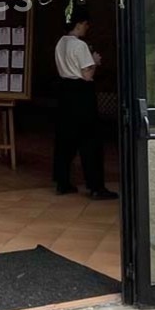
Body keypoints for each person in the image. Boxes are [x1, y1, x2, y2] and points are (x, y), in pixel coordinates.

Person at [53, 14, 116, 199]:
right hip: (81, 92)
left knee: (66, 139)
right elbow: (87, 74)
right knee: (90, 139)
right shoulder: (80, 45)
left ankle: (62, 182)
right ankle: (96, 186)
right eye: (86, 24)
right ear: (79, 24)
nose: (87, 28)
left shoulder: (60, 43)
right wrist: (94, 61)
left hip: (65, 91)